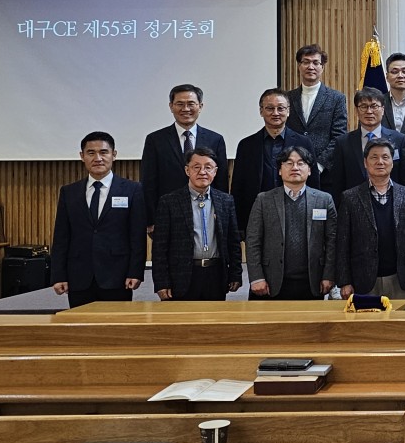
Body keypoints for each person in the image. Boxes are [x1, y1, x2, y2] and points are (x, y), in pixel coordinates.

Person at [51, 131, 146, 307]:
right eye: (91, 153)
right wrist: (58, 275)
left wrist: (135, 272)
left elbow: (137, 236)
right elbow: (61, 237)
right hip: (78, 276)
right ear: (82, 156)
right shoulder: (69, 192)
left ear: (114, 155)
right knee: (80, 322)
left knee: (115, 322)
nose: (98, 158)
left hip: (117, 275)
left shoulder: (132, 190)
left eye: (103, 152)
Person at [336, 139, 405, 307]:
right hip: (362, 280)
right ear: (365, 162)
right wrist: (344, 281)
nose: (380, 162)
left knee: (400, 322)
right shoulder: (350, 197)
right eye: (374, 157)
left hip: (400, 279)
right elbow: (342, 243)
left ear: (392, 161)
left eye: (385, 157)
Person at [245, 145, 337, 300]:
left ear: (309, 170)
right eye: (289, 163)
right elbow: (253, 240)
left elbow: (332, 241)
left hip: (312, 282)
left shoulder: (324, 200)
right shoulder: (264, 200)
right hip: (270, 281)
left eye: (301, 163)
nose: (295, 167)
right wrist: (256, 277)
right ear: (280, 170)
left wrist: (329, 275)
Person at [151, 147, 242, 301]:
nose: (202, 172)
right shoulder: (169, 202)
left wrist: (235, 273)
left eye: (208, 167)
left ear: (215, 171)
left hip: (215, 275)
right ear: (187, 170)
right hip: (181, 277)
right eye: (196, 167)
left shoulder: (226, 201)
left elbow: (233, 241)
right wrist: (161, 282)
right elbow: (160, 247)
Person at [140, 83, 229, 230]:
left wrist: (221, 214)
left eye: (191, 104)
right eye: (180, 104)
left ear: (200, 106)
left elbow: (221, 180)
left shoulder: (215, 139)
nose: (186, 109)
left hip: (206, 214)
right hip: (168, 215)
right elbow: (148, 182)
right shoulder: (155, 140)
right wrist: (151, 220)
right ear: (171, 106)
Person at [232, 88, 319, 234]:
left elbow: (314, 182)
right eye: (270, 108)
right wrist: (239, 225)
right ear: (261, 111)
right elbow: (238, 187)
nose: (276, 113)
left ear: (288, 111)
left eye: (281, 108)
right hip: (256, 215)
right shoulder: (246, 145)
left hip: (296, 214)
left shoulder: (303, 142)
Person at [325, 87, 405, 203]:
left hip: (391, 203)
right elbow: (338, 182)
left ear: (383, 109)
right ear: (357, 110)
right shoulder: (343, 142)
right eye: (363, 106)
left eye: (374, 106)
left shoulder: (399, 140)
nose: (369, 111)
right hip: (354, 205)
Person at [285, 44, 348, 176]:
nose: (311, 67)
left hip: (325, 172)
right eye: (306, 62)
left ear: (322, 67)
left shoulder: (336, 98)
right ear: (299, 66)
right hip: (292, 169)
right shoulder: (288, 98)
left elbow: (339, 136)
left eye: (315, 63)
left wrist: (318, 166)